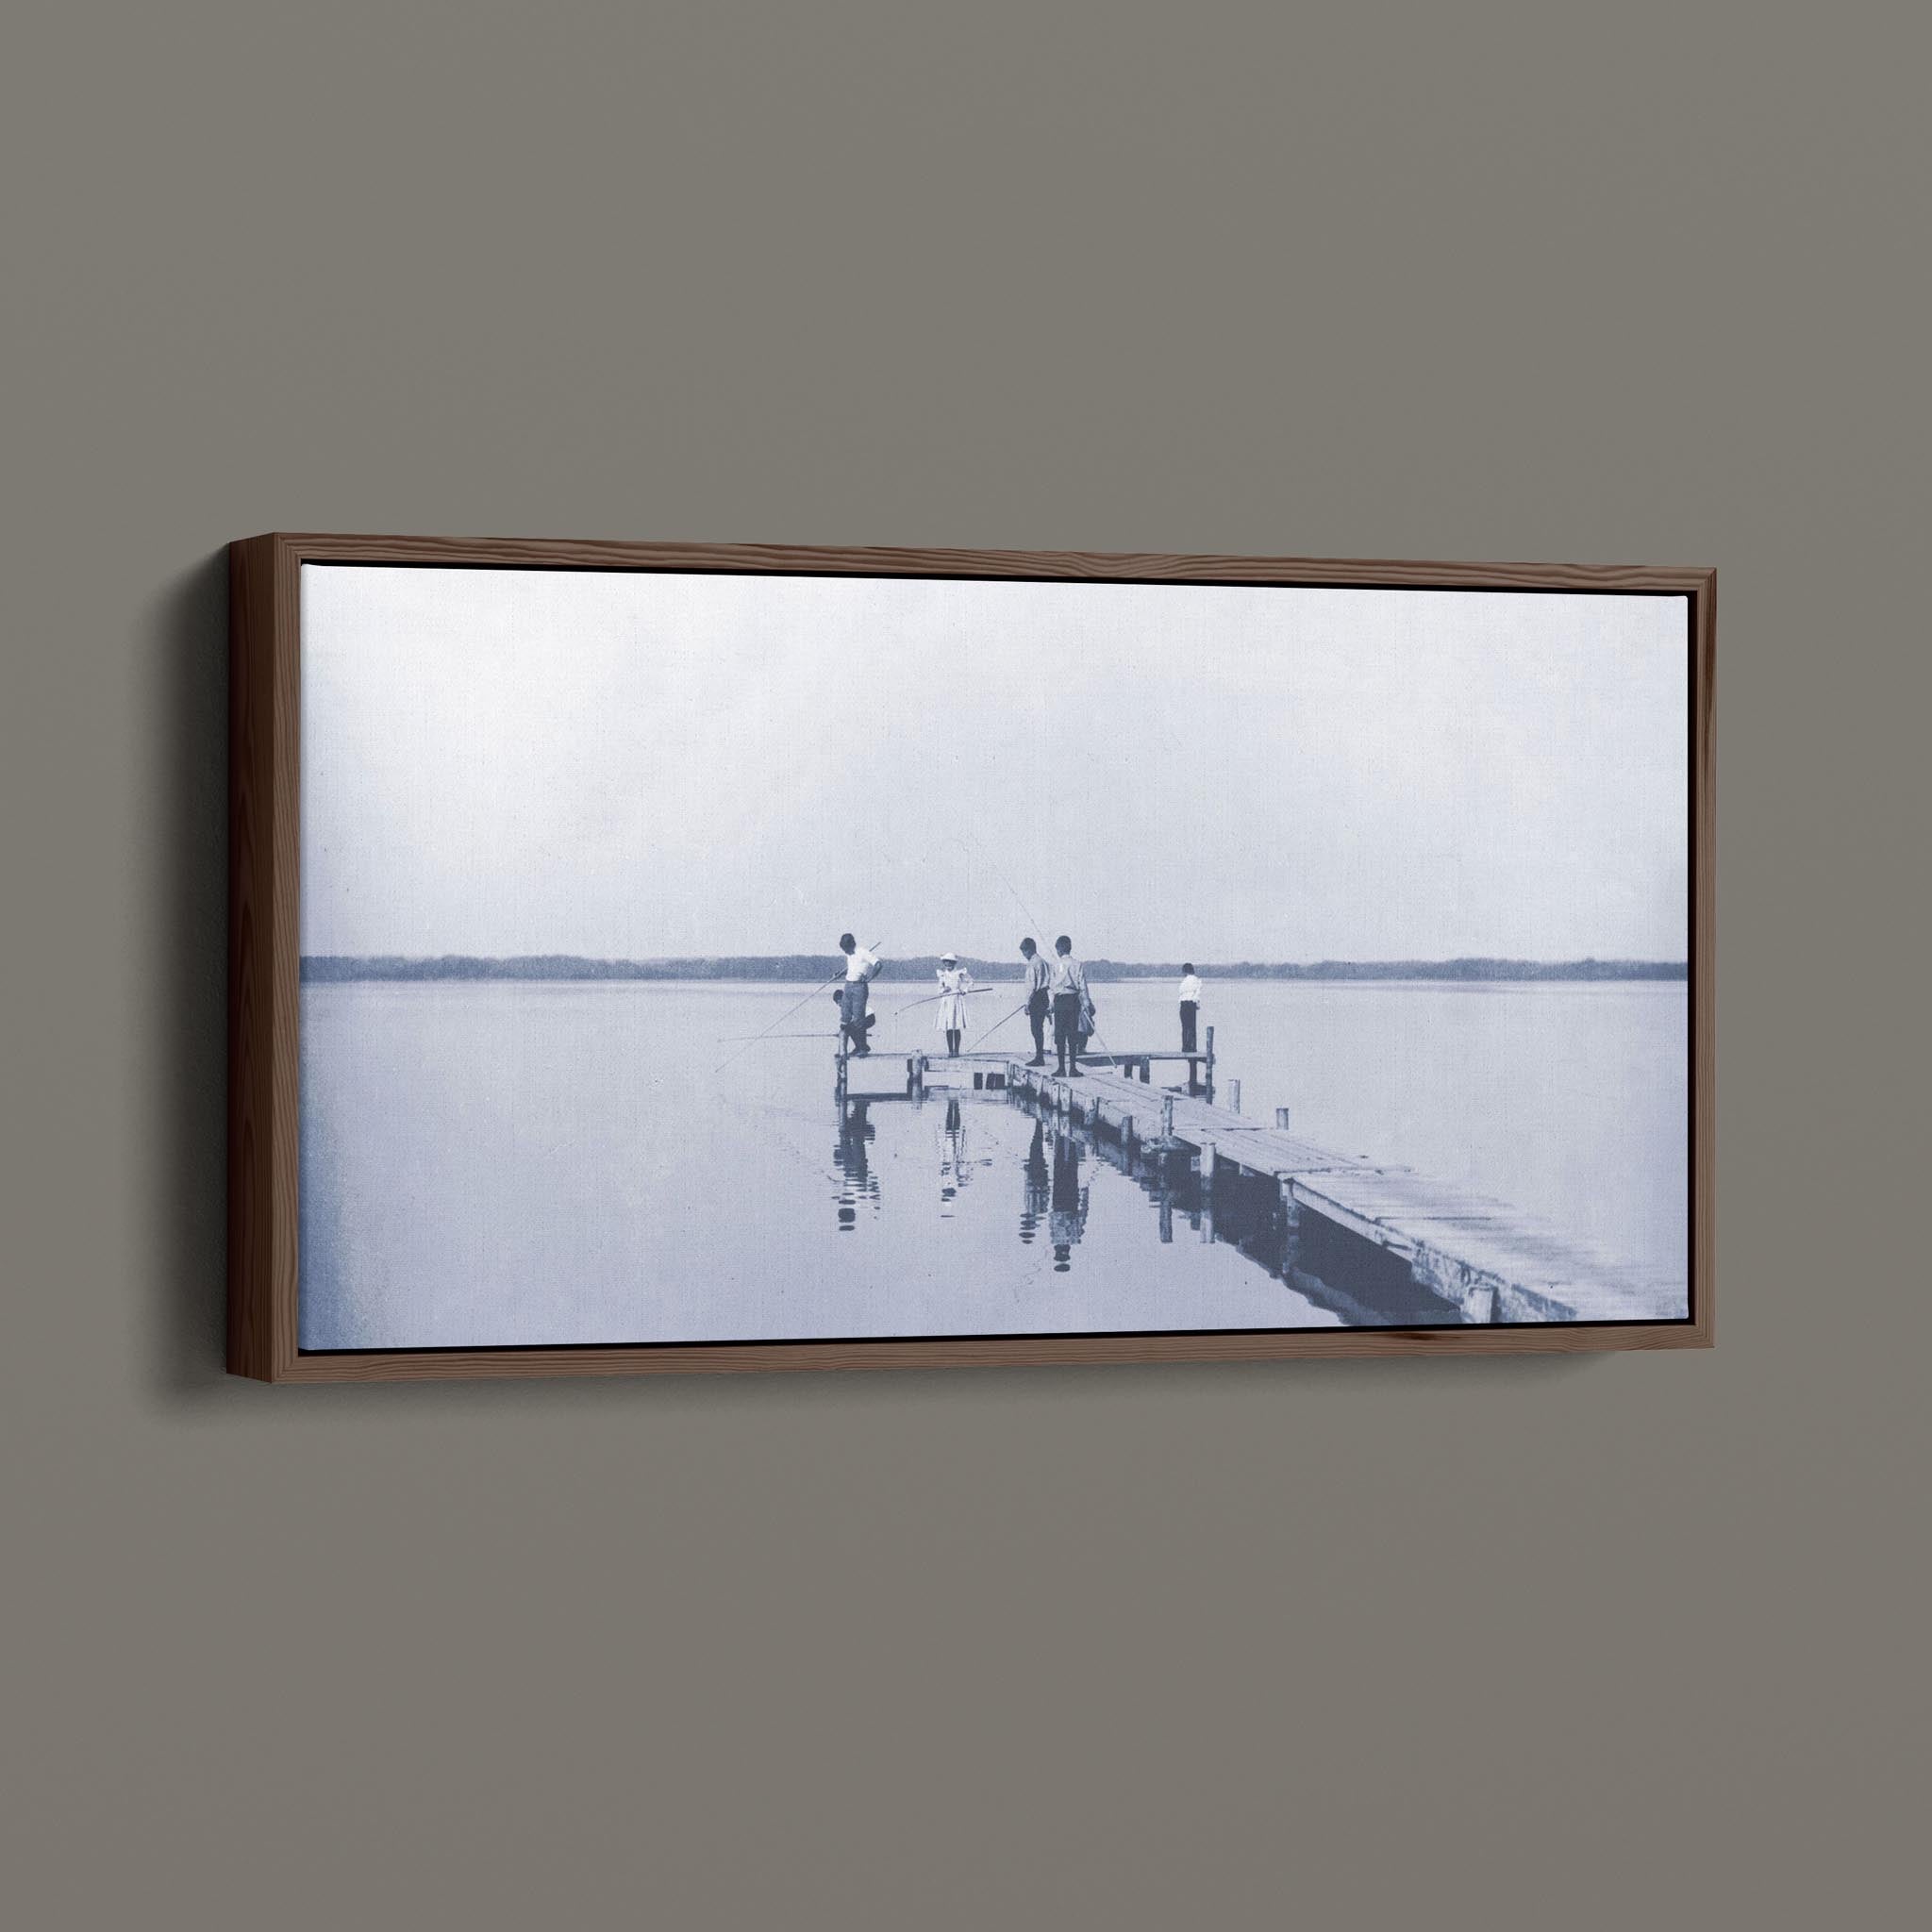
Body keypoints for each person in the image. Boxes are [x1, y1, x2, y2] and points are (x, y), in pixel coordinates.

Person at [1048, 935, 1089, 1076]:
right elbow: (1083, 986)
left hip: (1059, 1001)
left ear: (1059, 949)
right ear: (1070, 948)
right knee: (1072, 1034)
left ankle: (1061, 1068)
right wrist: (1086, 1004)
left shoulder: (1055, 965)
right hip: (1073, 1000)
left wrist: (1051, 1003)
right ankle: (1072, 1068)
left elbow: (1052, 987)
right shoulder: (1077, 964)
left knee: (1059, 1035)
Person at [838, 932, 880, 1056]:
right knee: (845, 1018)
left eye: (846, 948)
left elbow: (878, 965)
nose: (845, 951)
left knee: (858, 1018)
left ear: (851, 945)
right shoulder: (849, 955)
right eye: (843, 948)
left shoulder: (863, 952)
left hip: (859, 987)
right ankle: (846, 1050)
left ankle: (862, 1049)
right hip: (848, 985)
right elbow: (852, 969)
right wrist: (840, 974)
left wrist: (869, 978)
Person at [1019, 938, 1050, 1066]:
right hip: (1044, 995)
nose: (1024, 955)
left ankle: (1039, 1057)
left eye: (1024, 952)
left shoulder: (1032, 964)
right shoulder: (1043, 961)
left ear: (1030, 950)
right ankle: (1039, 1055)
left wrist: (1027, 1003)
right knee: (1039, 1027)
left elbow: (1031, 986)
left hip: (1036, 997)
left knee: (1035, 1028)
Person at [935, 953, 973, 1057]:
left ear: (954, 963)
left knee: (956, 1026)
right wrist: (944, 989)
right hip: (947, 1001)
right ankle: (950, 1051)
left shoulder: (959, 973)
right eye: (946, 963)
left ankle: (956, 1051)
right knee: (949, 1027)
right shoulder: (942, 975)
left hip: (956, 1000)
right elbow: (939, 990)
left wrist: (964, 990)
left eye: (950, 963)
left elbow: (970, 982)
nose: (948, 965)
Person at [1178, 961, 1202, 1054]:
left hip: (1183, 1004)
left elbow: (1181, 994)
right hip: (1191, 1004)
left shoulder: (1184, 982)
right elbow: (1197, 994)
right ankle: (1192, 1047)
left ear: (1185, 971)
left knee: (1185, 1027)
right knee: (1192, 1027)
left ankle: (1185, 1047)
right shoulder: (1197, 980)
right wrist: (1197, 1004)